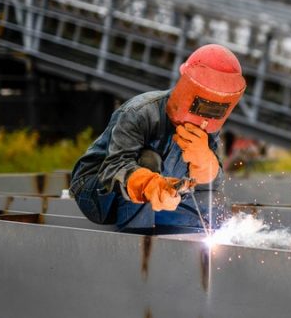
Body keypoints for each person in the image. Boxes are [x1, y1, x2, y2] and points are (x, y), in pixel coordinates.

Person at [69, 44, 246, 233]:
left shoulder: (209, 126)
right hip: (97, 192)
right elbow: (114, 167)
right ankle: (139, 244)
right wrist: (150, 184)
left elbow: (213, 186)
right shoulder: (140, 112)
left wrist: (205, 163)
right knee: (147, 160)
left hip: (158, 198)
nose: (204, 119)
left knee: (212, 200)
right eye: (203, 105)